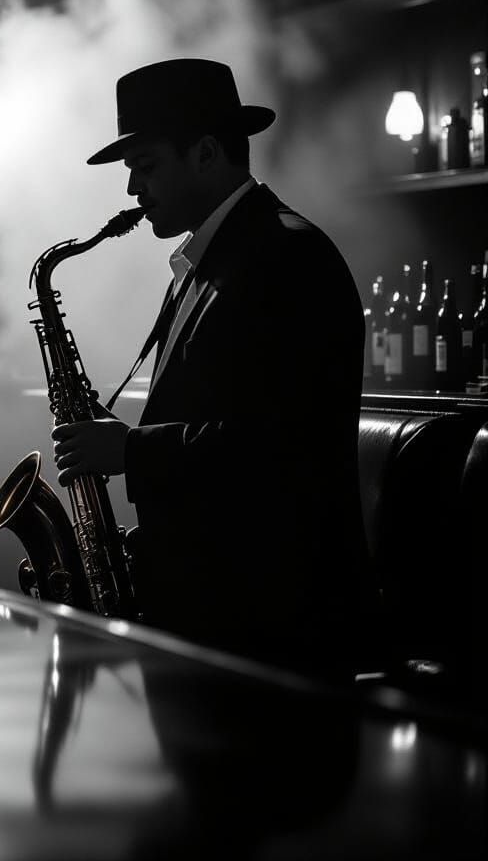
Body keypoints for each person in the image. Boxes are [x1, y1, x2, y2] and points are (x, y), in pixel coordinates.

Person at [52, 59, 380, 673]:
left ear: (205, 153)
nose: (131, 190)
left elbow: (288, 446)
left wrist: (132, 452)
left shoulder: (289, 255)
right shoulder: (213, 260)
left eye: (145, 166)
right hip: (224, 615)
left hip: (276, 630)